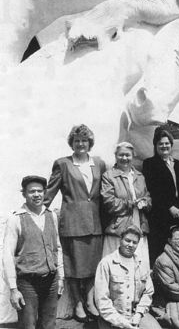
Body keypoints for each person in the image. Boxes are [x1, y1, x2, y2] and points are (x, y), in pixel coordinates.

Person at [44, 124, 106, 322]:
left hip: (95, 222)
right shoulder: (63, 164)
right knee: (74, 267)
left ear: (90, 143)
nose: (81, 144)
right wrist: (33, 210)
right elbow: (50, 192)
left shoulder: (99, 163)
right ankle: (78, 304)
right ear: (72, 143)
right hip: (73, 223)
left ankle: (90, 301)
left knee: (92, 266)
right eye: (77, 140)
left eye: (85, 140)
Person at [3, 175, 64, 329]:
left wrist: (61, 277)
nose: (36, 195)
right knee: (28, 325)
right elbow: (7, 256)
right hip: (27, 283)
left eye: (39, 191)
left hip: (51, 281)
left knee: (48, 325)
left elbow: (58, 247)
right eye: (31, 192)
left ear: (45, 192)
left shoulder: (52, 216)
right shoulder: (15, 219)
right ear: (24, 193)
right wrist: (13, 289)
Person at [94, 225, 161, 329]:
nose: (130, 245)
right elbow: (102, 301)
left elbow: (148, 293)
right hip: (113, 318)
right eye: (127, 240)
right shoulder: (106, 263)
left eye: (134, 242)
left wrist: (139, 314)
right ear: (120, 239)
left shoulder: (141, 264)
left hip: (136, 315)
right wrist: (122, 322)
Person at [101, 142, 152, 270]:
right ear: (115, 156)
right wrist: (131, 203)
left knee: (139, 268)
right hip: (118, 229)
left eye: (127, 155)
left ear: (133, 156)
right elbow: (109, 203)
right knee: (116, 269)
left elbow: (148, 197)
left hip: (139, 225)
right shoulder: (109, 176)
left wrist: (145, 203)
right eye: (121, 155)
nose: (124, 158)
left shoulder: (139, 176)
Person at [143, 127, 179, 266]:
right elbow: (153, 189)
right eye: (160, 143)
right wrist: (170, 207)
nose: (164, 146)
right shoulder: (150, 164)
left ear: (171, 145)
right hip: (160, 216)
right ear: (155, 146)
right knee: (160, 254)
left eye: (167, 143)